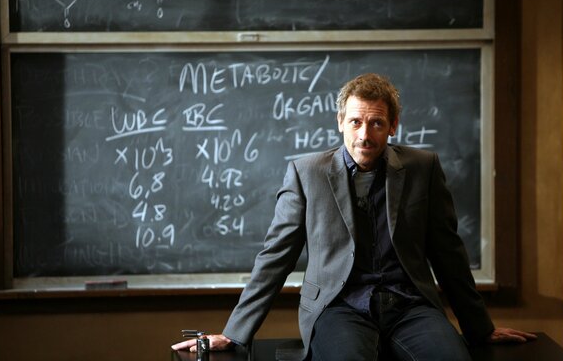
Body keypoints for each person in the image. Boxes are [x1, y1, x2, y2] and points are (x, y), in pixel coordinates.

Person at [172, 73, 535, 360]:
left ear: (393, 125)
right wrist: (235, 333)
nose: (365, 135)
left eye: (376, 123)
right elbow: (275, 257)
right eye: (356, 122)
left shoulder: (422, 168)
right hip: (339, 307)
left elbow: (448, 253)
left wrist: (479, 328)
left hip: (410, 306)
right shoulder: (307, 173)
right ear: (340, 122)